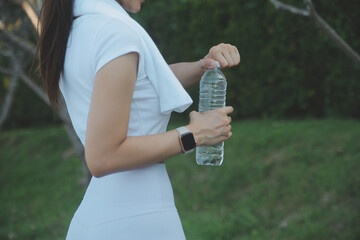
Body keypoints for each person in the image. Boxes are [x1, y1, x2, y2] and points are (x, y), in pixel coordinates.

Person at [37, 0, 240, 239]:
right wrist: (193, 134)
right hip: (137, 218)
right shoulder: (116, 35)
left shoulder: (79, 29)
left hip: (103, 215)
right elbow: (103, 156)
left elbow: (137, 85)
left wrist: (203, 66)